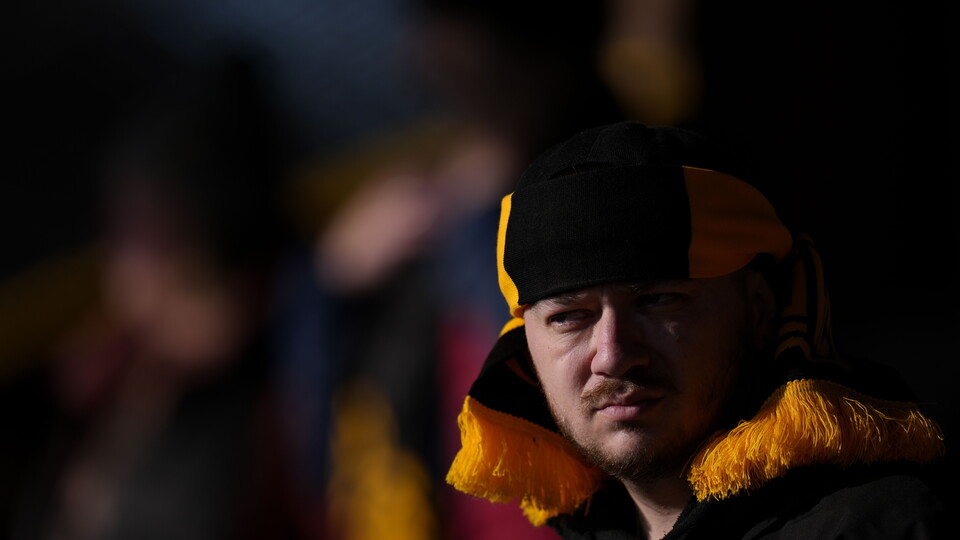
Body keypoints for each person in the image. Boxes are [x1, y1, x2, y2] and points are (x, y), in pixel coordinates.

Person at [444, 121, 946, 539]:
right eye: (569, 317)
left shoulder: (877, 526)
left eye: (658, 301)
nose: (613, 354)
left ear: (760, 308)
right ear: (524, 342)